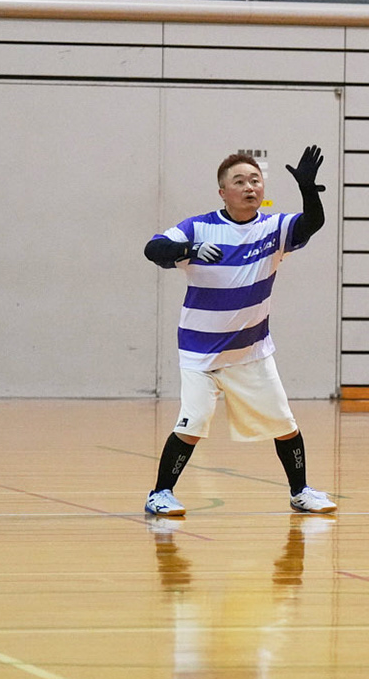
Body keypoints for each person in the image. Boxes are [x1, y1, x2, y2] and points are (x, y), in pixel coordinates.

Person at [142, 147, 335, 517]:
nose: (250, 187)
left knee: (284, 424)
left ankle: (300, 492)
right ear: (223, 192)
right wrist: (189, 249)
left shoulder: (273, 229)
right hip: (200, 352)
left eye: (255, 180)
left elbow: (311, 223)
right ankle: (160, 494)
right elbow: (154, 249)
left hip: (251, 351)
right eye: (240, 181)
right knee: (192, 424)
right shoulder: (198, 228)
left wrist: (308, 190)